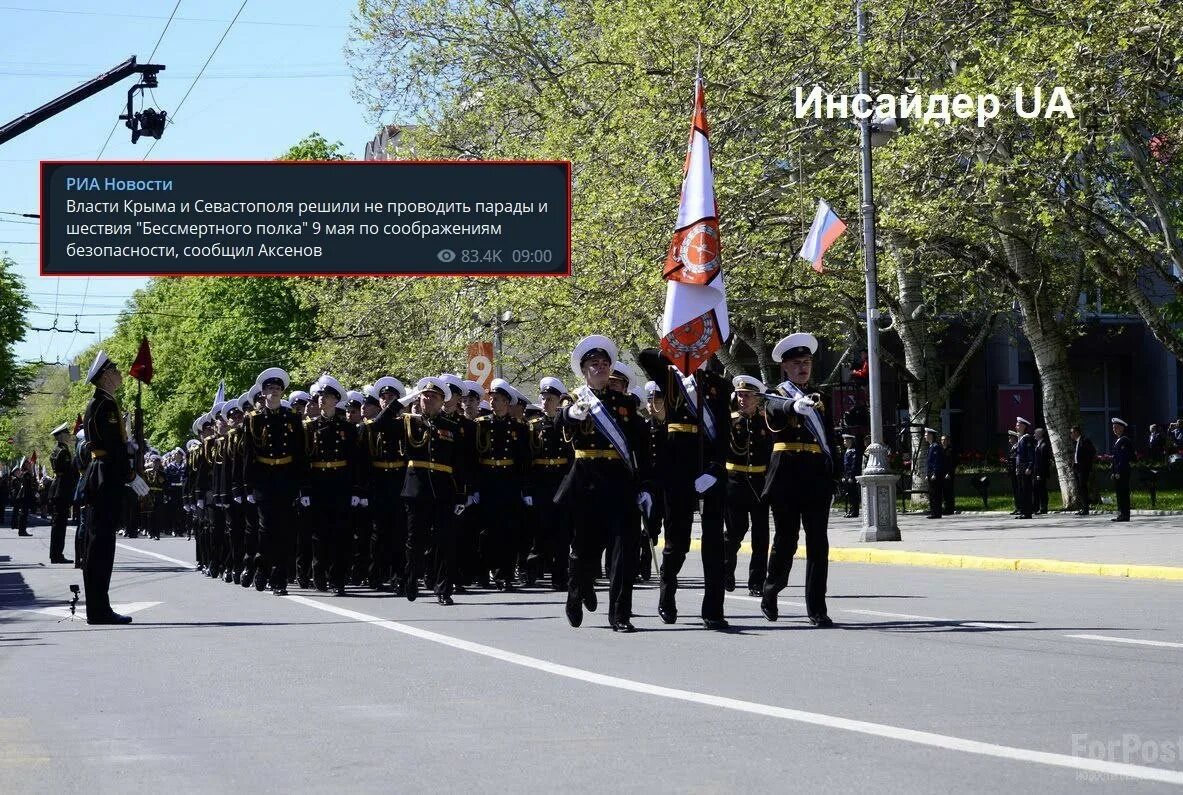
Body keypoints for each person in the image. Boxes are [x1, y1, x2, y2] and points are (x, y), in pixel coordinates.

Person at [556, 335, 654, 632]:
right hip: (587, 482)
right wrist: (570, 416)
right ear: (584, 370)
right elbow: (557, 426)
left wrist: (645, 486)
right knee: (585, 549)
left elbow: (641, 447)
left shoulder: (625, 404)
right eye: (593, 364)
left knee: (624, 552)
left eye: (604, 363)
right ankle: (576, 590)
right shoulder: (574, 400)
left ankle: (620, 615)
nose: (600, 368)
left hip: (621, 484)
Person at [636, 348, 730, 630]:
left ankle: (713, 610)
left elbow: (723, 431)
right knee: (678, 541)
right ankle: (668, 589)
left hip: (709, 469)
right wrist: (677, 354)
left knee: (714, 543)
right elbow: (645, 357)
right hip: (676, 468)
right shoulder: (670, 378)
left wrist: (714, 470)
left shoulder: (718, 386)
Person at [759, 332, 837, 628]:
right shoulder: (775, 394)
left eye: (806, 362)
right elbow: (775, 412)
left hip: (816, 476)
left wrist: (835, 475)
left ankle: (817, 608)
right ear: (785, 368)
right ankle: (771, 590)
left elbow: (830, 439)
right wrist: (793, 406)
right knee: (786, 540)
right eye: (796, 363)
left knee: (819, 544)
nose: (803, 367)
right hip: (787, 478)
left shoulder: (820, 399)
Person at [80, 350, 150, 625]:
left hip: (103, 473)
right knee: (101, 546)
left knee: (100, 544)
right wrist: (130, 474)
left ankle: (98, 607)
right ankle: (99, 609)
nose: (120, 373)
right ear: (106, 376)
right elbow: (112, 447)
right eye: (116, 369)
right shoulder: (105, 405)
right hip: (106, 475)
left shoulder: (102, 403)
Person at [401, 376, 471, 605]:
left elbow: (460, 464)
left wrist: (462, 494)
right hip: (417, 489)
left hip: (444, 490)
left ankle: (443, 589)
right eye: (424, 396)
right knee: (415, 540)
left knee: (445, 541)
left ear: (443, 402)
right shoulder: (409, 421)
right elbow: (381, 423)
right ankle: (411, 580)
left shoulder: (452, 427)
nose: (428, 399)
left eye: (433, 397)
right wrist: (405, 399)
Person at [242, 369, 305, 594]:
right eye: (270, 389)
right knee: (266, 528)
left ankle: (279, 577)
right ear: (264, 393)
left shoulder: (292, 418)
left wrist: (300, 485)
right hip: (263, 479)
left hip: (286, 478)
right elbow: (248, 454)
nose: (275, 392)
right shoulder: (253, 420)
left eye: (278, 389)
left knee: (285, 530)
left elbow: (300, 454)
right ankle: (262, 567)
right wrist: (248, 485)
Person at [303, 375, 363, 596]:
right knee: (319, 534)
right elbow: (304, 462)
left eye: (326, 397)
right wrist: (305, 489)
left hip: (340, 484)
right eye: (319, 396)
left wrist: (356, 489)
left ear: (335, 400)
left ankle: (338, 579)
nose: (321, 400)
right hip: (318, 483)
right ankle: (319, 575)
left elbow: (355, 461)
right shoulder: (309, 427)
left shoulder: (346, 428)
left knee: (341, 534)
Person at [723, 376, 772, 596]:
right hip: (735, 482)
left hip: (759, 483)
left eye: (747, 395)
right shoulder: (730, 421)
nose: (742, 399)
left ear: (757, 398)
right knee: (734, 532)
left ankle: (756, 582)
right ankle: (726, 572)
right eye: (740, 395)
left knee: (761, 537)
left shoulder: (766, 423)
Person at [48, 422, 78, 562]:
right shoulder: (63, 451)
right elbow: (69, 471)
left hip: (57, 488)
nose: (67, 435)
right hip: (62, 488)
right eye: (65, 434)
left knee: (57, 524)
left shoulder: (56, 450)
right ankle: (57, 555)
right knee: (60, 525)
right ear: (60, 436)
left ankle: (55, 554)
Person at [1069, 424, 1096, 516]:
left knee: (1083, 487)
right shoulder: (1075, 442)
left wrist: (1086, 465)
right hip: (1077, 468)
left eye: (1072, 433)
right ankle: (1082, 507)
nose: (1071, 435)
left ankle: (1085, 508)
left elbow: (1092, 452)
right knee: (1079, 488)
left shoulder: (1085, 441)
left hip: (1083, 468)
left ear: (1076, 432)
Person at [1111, 418, 1133, 522]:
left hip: (1123, 471)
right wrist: (1113, 472)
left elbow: (1123, 458)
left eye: (1116, 427)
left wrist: (1118, 471)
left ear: (1122, 428)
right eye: (1113, 428)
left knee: (1123, 493)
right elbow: (1115, 458)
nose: (1114, 429)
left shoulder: (1125, 440)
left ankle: (1125, 515)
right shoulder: (1118, 440)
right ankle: (1121, 514)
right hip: (1117, 472)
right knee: (1119, 494)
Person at [1014, 417, 1034, 520]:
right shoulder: (1021, 438)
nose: (1016, 426)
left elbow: (1031, 454)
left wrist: (1030, 467)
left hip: (1025, 467)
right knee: (1021, 490)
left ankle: (1027, 512)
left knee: (1026, 490)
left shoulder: (1027, 438)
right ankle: (1023, 511)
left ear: (1023, 426)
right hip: (1020, 467)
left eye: (1018, 425)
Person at [924, 428, 943, 519]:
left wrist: (934, 473)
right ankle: (934, 512)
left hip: (935, 475)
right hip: (931, 474)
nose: (925, 436)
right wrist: (928, 474)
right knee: (932, 493)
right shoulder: (931, 446)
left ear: (931, 435)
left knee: (936, 493)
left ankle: (937, 513)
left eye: (926, 434)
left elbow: (937, 462)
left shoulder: (936, 446)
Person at [841, 433, 860, 519]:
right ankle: (850, 510)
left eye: (846, 440)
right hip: (846, 476)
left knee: (853, 494)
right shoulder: (847, 451)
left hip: (851, 477)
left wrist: (852, 477)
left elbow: (853, 465)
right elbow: (845, 466)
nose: (844, 442)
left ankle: (854, 511)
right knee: (848, 494)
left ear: (851, 441)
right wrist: (844, 476)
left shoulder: (853, 451)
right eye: (844, 440)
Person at [1033, 428, 1052, 514]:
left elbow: (1042, 462)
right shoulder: (1038, 444)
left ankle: (1043, 507)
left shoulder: (1044, 445)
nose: (1034, 435)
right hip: (1037, 472)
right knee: (1038, 490)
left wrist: (1039, 474)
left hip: (1041, 472)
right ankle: (1037, 507)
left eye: (1035, 434)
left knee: (1042, 490)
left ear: (1040, 434)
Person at [940, 434, 958, 515]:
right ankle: (945, 508)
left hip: (949, 474)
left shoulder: (951, 450)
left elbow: (953, 463)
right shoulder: (940, 450)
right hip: (942, 473)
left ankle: (950, 509)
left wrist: (949, 473)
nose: (943, 441)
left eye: (945, 440)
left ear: (948, 441)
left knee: (949, 492)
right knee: (944, 492)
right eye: (942, 440)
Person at [1005, 429, 1020, 514]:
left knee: (1018, 490)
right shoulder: (1013, 447)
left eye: (1010, 438)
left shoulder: (1018, 446)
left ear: (1014, 438)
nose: (1009, 440)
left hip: (1017, 472)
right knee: (1015, 490)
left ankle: (1020, 507)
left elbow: (1016, 458)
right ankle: (1017, 507)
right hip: (1013, 472)